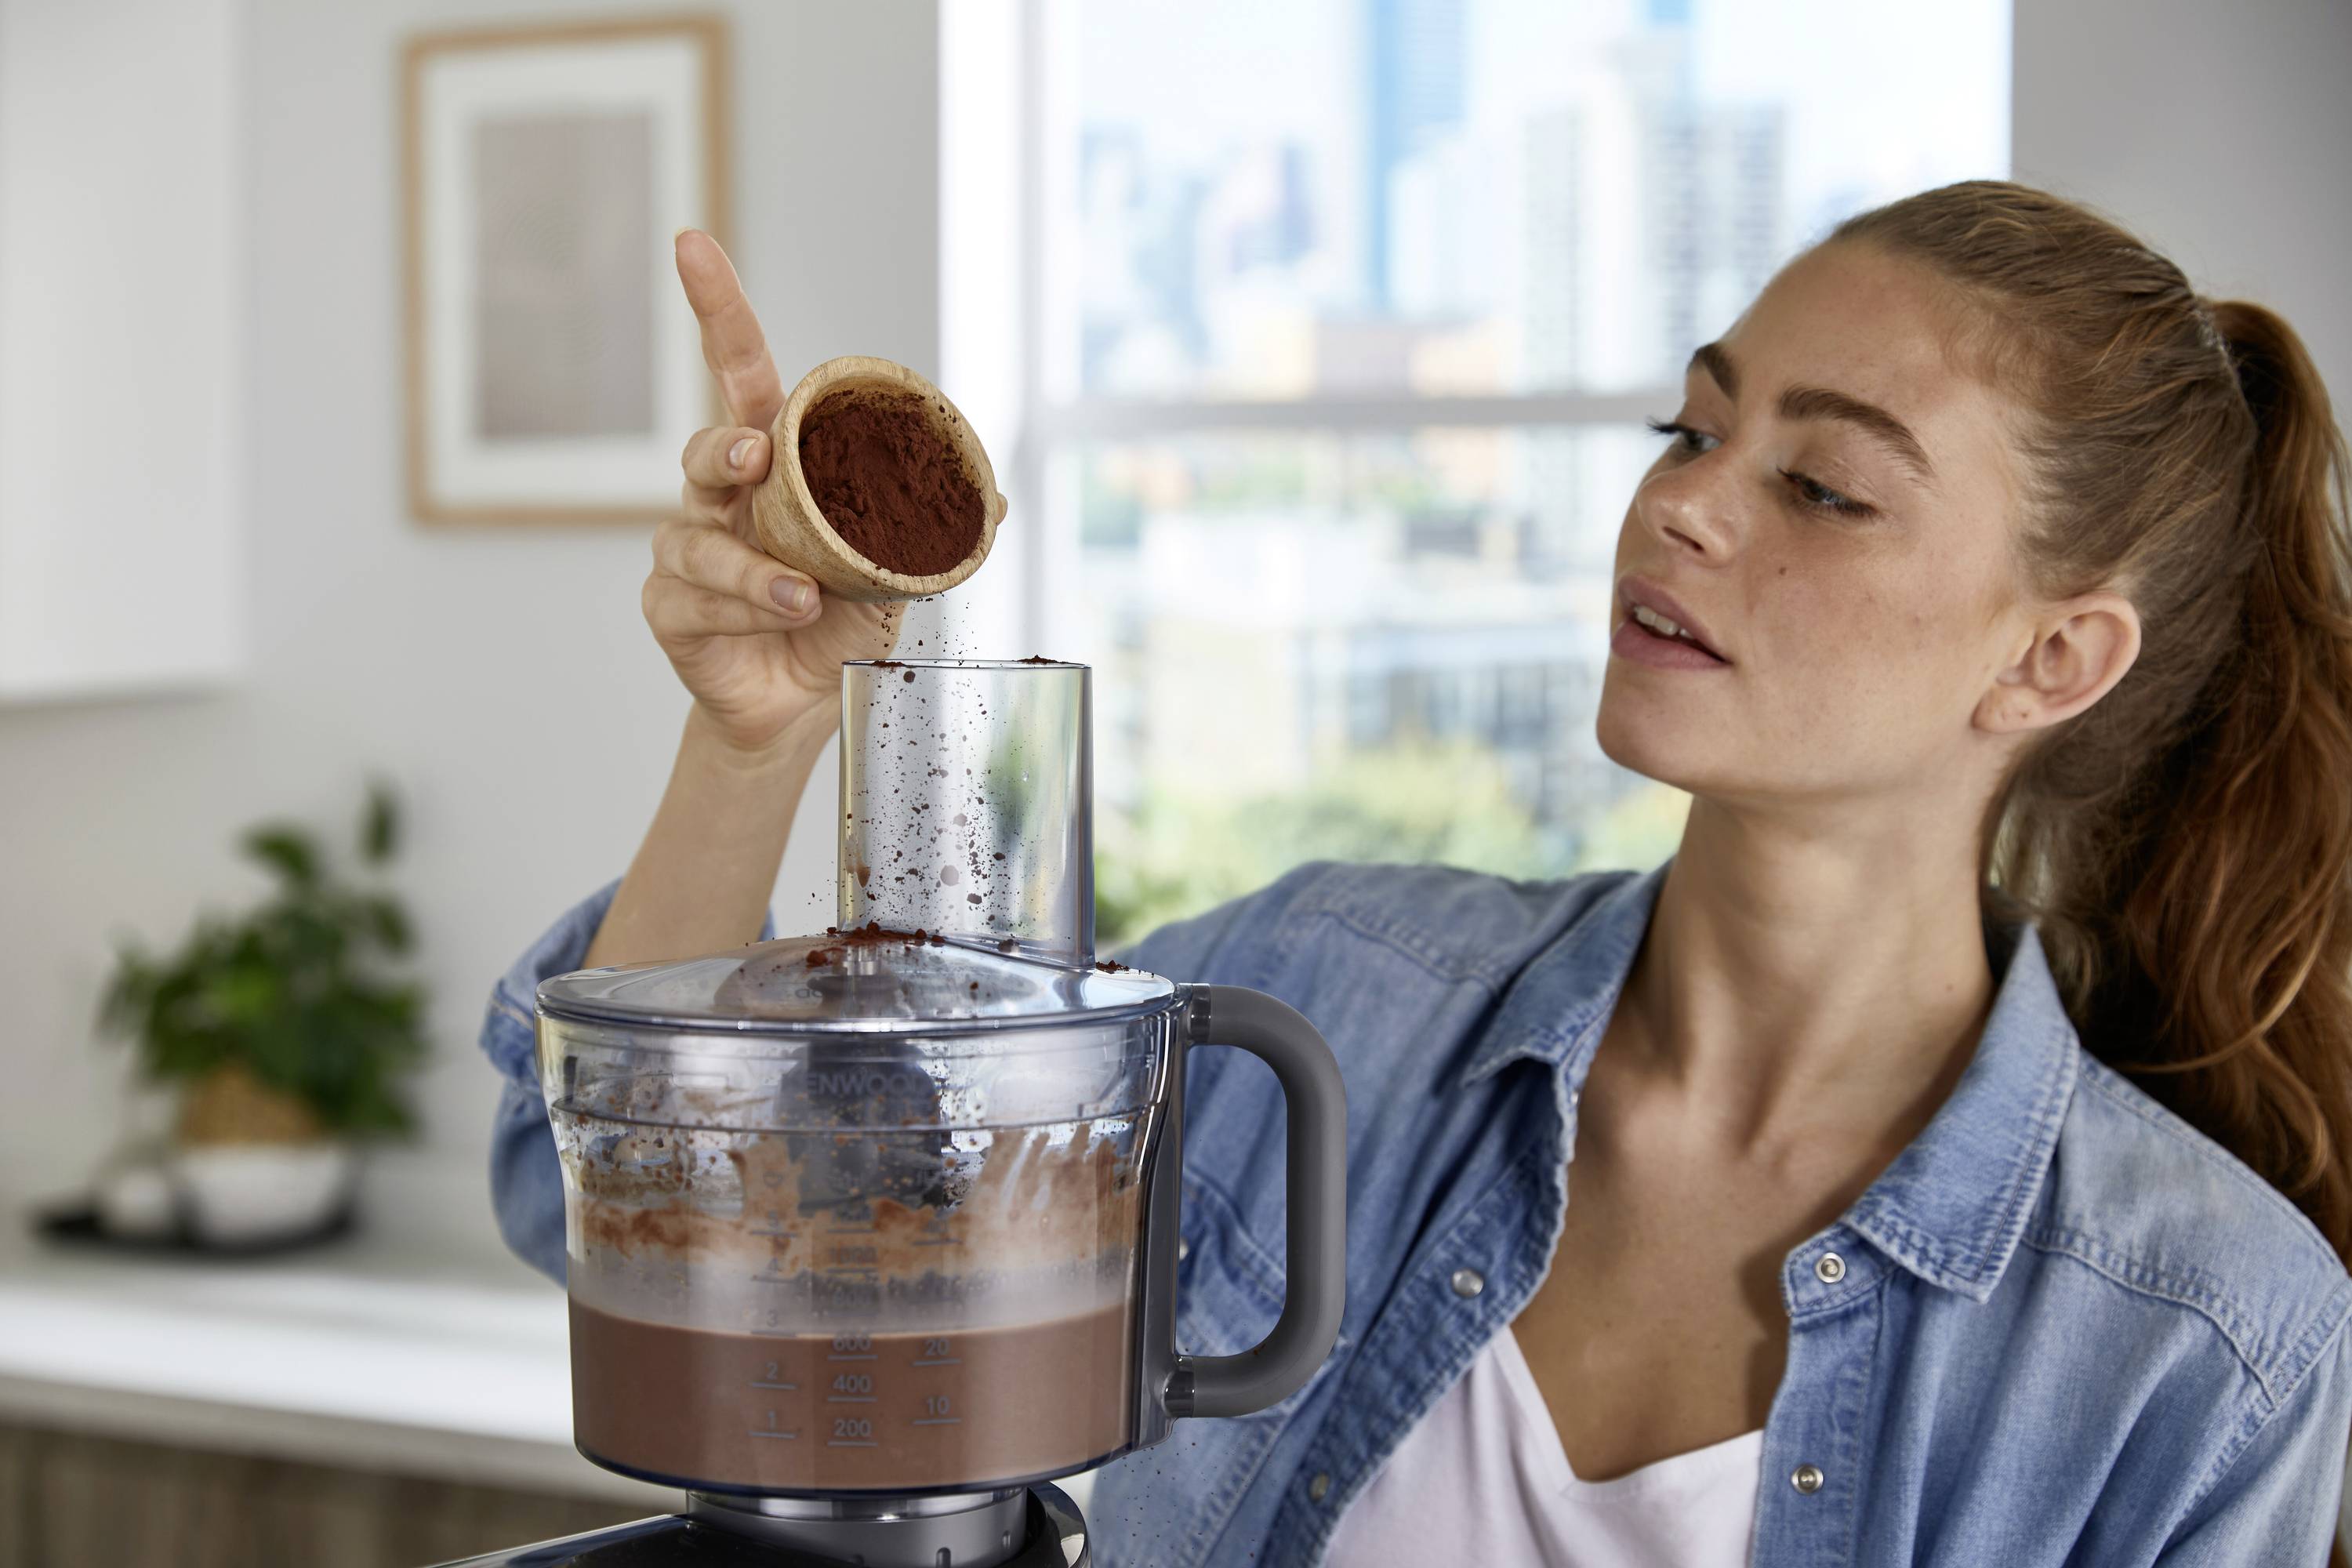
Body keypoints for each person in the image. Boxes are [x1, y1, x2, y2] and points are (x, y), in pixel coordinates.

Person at [479, 183, 2352, 1566]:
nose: (1683, 501)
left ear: (2055, 659)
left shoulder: (2207, 1350)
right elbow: (658, 1243)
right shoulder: (1325, 990)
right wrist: (757, 739)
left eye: (1824, 486)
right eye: (1690, 427)